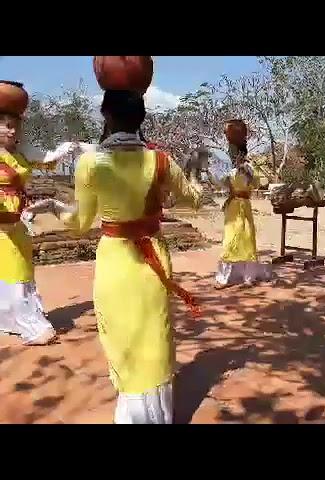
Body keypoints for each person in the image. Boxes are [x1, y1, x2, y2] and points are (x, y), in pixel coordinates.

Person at [58, 89, 203, 423]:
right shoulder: (161, 160)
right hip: (153, 260)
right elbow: (195, 199)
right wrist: (194, 168)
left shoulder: (90, 162)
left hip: (116, 261)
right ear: (142, 117)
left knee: (124, 338)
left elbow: (79, 222)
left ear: (105, 116)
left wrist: (52, 206)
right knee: (155, 336)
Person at [0, 80, 79, 346]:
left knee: (21, 272)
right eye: (6, 125)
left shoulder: (20, 154)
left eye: (15, 126)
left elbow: (45, 158)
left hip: (18, 223)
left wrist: (65, 149)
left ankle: (15, 320)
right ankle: (31, 327)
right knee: (14, 273)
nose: (11, 131)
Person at [214, 129, 271, 288]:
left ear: (242, 154)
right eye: (232, 154)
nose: (234, 156)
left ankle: (249, 278)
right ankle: (222, 278)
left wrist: (248, 173)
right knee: (230, 240)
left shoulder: (250, 169)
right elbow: (220, 182)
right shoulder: (229, 170)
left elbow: (258, 184)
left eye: (236, 154)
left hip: (245, 207)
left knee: (248, 240)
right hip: (233, 208)